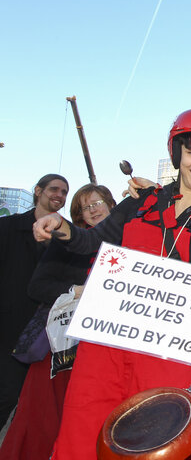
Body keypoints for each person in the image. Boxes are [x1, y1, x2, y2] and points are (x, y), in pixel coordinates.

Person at [32, 108, 191, 460]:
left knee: (152, 450)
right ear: (176, 153)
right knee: (79, 441)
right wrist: (62, 227)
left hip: (172, 354)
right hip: (105, 348)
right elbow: (91, 242)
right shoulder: (141, 202)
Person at [0, 184, 116, 460]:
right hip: (61, 350)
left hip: (105, 350)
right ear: (80, 216)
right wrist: (77, 290)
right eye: (86, 207)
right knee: (42, 420)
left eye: (98, 202)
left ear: (112, 205)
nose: (94, 210)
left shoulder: (130, 243)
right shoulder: (70, 243)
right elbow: (37, 288)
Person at [0, 173, 69, 429]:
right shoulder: (7, 228)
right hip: (6, 323)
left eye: (64, 192)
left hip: (39, 334)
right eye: (54, 189)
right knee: (5, 396)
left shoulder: (67, 237)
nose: (59, 196)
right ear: (38, 191)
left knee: (20, 401)